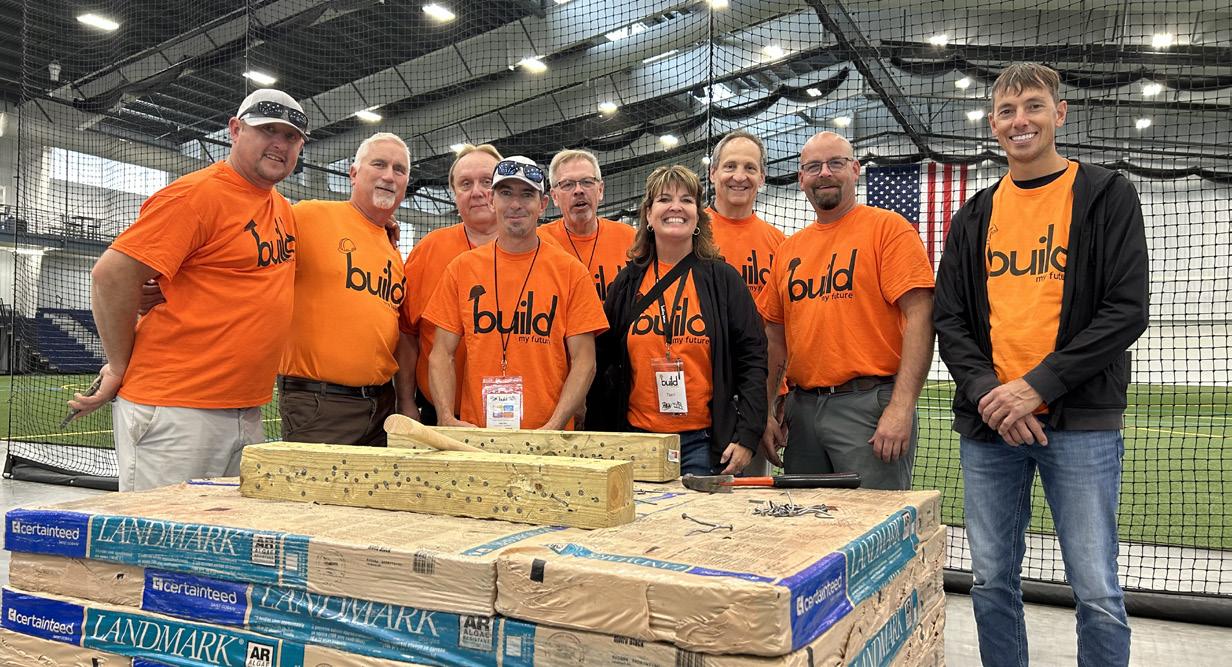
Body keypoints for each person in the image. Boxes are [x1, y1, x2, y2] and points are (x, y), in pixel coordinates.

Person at [934, 63, 1148, 666]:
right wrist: (992, 395)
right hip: (991, 427)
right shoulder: (974, 215)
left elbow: (1126, 310)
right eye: (1006, 111)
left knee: (1096, 589)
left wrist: (1035, 387)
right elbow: (951, 319)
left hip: (1080, 423)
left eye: (1032, 105)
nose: (1019, 120)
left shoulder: (1106, 195)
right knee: (990, 582)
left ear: (1060, 113)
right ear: (993, 124)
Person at [68, 89, 307, 491]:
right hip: (177, 408)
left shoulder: (280, 208)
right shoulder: (196, 194)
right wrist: (118, 366)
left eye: (291, 136)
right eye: (268, 130)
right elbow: (111, 276)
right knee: (160, 529)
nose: (280, 144)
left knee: (223, 530)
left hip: (244, 409)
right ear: (235, 130)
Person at [757, 131, 935, 490]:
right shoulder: (789, 250)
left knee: (872, 520)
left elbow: (922, 316)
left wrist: (901, 407)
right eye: (813, 167)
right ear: (801, 178)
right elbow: (775, 338)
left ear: (855, 169)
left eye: (835, 163)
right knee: (804, 517)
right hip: (803, 411)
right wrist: (767, 410)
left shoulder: (888, 229)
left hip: (868, 408)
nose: (824, 173)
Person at [588, 165, 767, 476]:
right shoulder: (627, 283)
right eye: (664, 199)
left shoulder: (723, 280)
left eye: (686, 200)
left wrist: (747, 435)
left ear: (698, 215)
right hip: (637, 441)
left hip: (705, 444)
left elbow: (753, 359)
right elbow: (602, 362)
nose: (676, 207)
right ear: (648, 214)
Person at [422, 156, 608, 429]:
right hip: (479, 436)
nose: (516, 204)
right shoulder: (461, 269)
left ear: (543, 204)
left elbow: (585, 361)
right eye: (506, 193)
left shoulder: (571, 273)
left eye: (527, 195)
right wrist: (446, 418)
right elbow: (441, 354)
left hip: (546, 438)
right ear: (491, 200)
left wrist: (553, 427)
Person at [276, 132, 410, 445]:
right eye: (379, 164)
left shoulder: (392, 249)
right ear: (353, 173)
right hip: (321, 404)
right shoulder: (309, 216)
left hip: (381, 408)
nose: (389, 176)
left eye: (399, 169)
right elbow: (252, 231)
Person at [397, 144, 502, 425]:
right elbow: (407, 333)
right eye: (465, 184)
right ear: (455, 195)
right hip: (442, 414)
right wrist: (405, 402)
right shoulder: (429, 250)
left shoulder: (542, 253)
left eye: (487, 182)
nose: (477, 192)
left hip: (523, 415)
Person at [706, 130, 787, 475]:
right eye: (730, 166)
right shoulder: (691, 233)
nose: (739, 176)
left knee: (749, 495)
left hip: (757, 394)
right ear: (712, 173)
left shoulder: (779, 244)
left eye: (750, 168)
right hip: (700, 394)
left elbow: (782, 330)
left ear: (762, 178)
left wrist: (771, 404)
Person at [538, 149, 636, 302]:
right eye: (567, 184)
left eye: (587, 182)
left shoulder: (631, 239)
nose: (578, 190)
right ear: (555, 197)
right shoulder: (539, 241)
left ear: (600, 190)